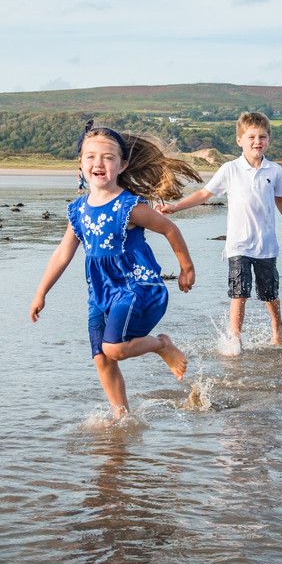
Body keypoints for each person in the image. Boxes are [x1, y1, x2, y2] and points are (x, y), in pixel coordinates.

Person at [30, 120, 202, 419]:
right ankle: (121, 415)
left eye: (108, 157)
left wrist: (186, 268)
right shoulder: (78, 210)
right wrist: (41, 292)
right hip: (100, 293)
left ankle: (161, 345)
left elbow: (170, 229)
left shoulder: (129, 206)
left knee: (114, 348)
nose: (99, 163)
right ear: (81, 164)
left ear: (122, 165)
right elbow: (62, 253)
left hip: (135, 286)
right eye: (91, 156)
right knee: (102, 358)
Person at [157, 111, 282, 352]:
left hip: (266, 245)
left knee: (269, 294)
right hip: (238, 245)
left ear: (269, 140)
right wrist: (175, 207)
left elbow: (281, 201)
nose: (257, 142)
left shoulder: (275, 171)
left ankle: (277, 326)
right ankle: (235, 339)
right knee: (239, 293)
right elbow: (204, 194)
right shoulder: (230, 169)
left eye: (262, 137)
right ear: (240, 140)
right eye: (251, 137)